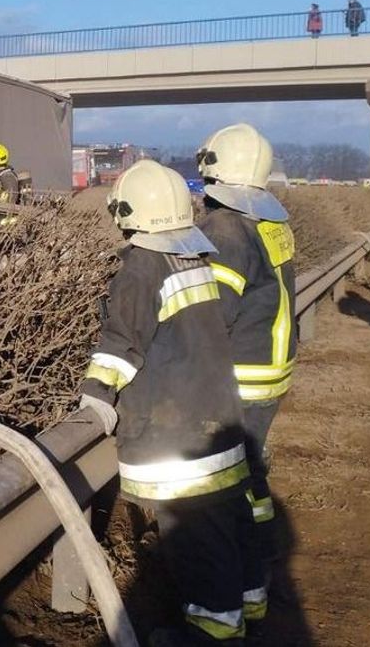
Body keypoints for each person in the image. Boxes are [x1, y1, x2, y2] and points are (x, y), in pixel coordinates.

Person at [79, 160, 258, 646]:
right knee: (221, 531)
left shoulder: (141, 267)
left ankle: (211, 634)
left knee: (196, 547)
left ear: (128, 213)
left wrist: (94, 398)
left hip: (178, 440)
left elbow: (120, 344)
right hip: (215, 419)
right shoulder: (194, 260)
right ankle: (237, 614)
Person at [196, 123, 296, 625]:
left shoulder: (225, 231)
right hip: (270, 374)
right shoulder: (270, 223)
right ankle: (255, 593)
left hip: (240, 377)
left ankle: (219, 615)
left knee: (220, 492)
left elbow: (211, 316)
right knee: (251, 484)